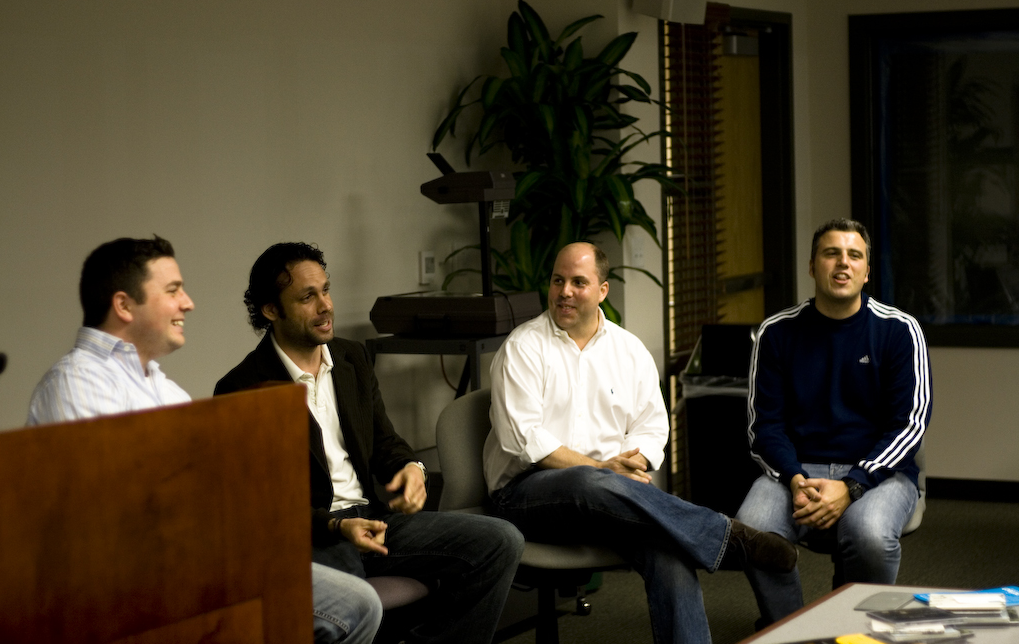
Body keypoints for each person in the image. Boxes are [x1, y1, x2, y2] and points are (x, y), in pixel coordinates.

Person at [26, 236, 382, 644]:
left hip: (195, 560)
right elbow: (112, 521)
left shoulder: (158, 385)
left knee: (357, 602)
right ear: (124, 306)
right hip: (131, 583)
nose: (188, 303)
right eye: (173, 291)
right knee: (349, 605)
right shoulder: (78, 381)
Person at [484, 241, 798, 644]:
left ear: (602, 290)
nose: (564, 291)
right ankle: (726, 536)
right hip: (527, 496)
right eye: (558, 280)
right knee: (586, 481)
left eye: (579, 282)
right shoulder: (523, 348)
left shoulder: (628, 350)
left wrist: (633, 465)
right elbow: (526, 440)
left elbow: (652, 427)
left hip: (612, 498)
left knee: (669, 551)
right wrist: (602, 469)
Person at [214, 242, 525, 644]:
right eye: (308, 297)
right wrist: (338, 525)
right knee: (354, 598)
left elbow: (384, 442)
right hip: (316, 534)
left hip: (375, 520)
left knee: (502, 542)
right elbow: (260, 510)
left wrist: (412, 469)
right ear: (271, 311)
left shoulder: (350, 358)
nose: (325, 305)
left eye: (326, 290)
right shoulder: (242, 388)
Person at [736, 218, 931, 626]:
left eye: (854, 255)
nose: (843, 263)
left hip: (880, 473)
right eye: (831, 254)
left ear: (866, 271)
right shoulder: (776, 332)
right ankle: (791, 629)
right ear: (812, 266)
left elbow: (909, 425)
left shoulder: (899, 330)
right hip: (797, 471)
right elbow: (763, 426)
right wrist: (794, 478)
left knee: (870, 537)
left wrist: (853, 484)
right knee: (752, 530)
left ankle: (854, 629)